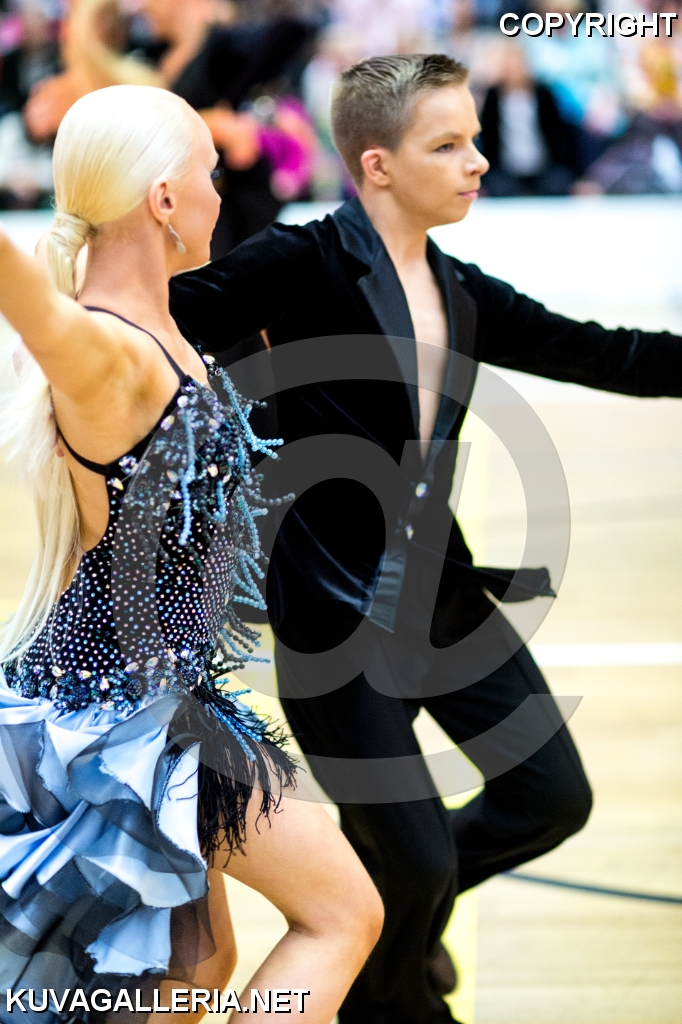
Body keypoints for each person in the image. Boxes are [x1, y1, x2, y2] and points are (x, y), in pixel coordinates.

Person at [166, 54, 682, 1024]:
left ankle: (392, 925)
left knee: (546, 801)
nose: (477, 161)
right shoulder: (302, 261)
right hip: (335, 621)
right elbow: (158, 321)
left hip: (441, 599)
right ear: (377, 165)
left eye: (474, 139)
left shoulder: (462, 290)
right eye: (447, 145)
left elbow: (605, 350)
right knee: (416, 863)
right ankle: (397, 977)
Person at [0, 84, 383, 1022]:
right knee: (341, 914)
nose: (225, 191)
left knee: (190, 975)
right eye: (211, 173)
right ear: (165, 199)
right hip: (132, 707)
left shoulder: (167, 328)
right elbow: (35, 310)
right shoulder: (110, 353)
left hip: (152, 688)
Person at [479, 41, 578, 197]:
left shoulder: (543, 93)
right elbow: (487, 138)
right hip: (506, 171)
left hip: (543, 168)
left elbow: (559, 135)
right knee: (497, 187)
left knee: (559, 183)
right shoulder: (493, 97)